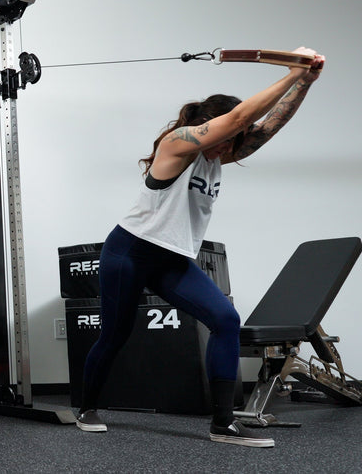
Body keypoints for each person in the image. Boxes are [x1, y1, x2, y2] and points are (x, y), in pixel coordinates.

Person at [75, 47, 324, 448]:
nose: (229, 149)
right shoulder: (177, 144)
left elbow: (266, 127)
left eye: (234, 143)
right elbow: (239, 119)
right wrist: (292, 73)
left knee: (225, 319)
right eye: (226, 139)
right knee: (115, 335)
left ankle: (223, 423)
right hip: (129, 253)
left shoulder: (217, 153)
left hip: (172, 260)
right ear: (209, 128)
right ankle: (86, 408)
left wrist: (305, 83)